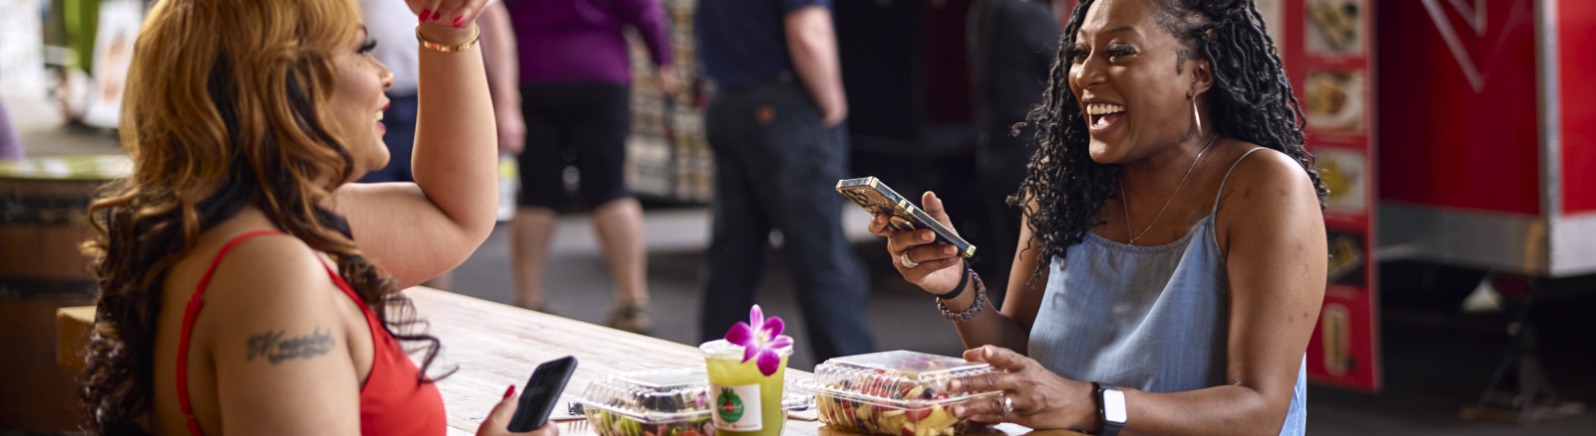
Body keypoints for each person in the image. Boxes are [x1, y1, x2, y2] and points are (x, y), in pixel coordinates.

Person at [78, 0, 551, 434]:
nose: (385, 74)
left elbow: (453, 216)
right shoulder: (271, 273)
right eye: (363, 50)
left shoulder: (233, 224)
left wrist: (448, 27)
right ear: (283, 82)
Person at [873, 0, 1327, 434]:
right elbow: (1019, 354)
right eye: (1079, 53)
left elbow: (1259, 410)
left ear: (1198, 72)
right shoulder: (1064, 183)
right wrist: (954, 284)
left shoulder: (1264, 186)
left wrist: (1089, 404)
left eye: (1119, 52)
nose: (1085, 74)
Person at [695, 0, 875, 363]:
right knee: (822, 255)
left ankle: (719, 380)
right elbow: (809, 34)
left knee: (734, 254)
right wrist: (832, 103)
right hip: (783, 104)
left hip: (728, 100)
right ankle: (855, 383)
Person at [501, 0, 674, 333]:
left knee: (536, 191)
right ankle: (632, 301)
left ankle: (527, 297)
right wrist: (661, 59)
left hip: (533, 70)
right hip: (600, 71)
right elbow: (643, 7)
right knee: (610, 187)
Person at [965, 0, 1061, 304]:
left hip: (994, 144)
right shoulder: (1029, 12)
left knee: (1011, 256)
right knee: (1029, 261)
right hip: (1029, 148)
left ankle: (1001, 334)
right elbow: (1068, 71)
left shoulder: (985, 8)